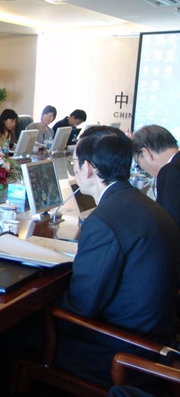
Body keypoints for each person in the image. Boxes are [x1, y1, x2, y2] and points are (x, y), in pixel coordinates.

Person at [55, 126, 180, 388]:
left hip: (122, 356)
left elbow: (81, 308)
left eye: (75, 163)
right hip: (158, 342)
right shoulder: (147, 205)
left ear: (87, 168)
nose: (75, 169)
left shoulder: (104, 221)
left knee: (15, 334)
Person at [132, 124, 180, 229]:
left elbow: (170, 226)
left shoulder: (169, 172)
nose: (142, 168)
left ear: (146, 153)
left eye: (137, 162)